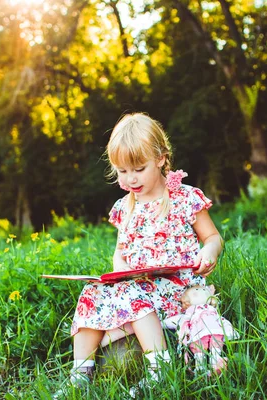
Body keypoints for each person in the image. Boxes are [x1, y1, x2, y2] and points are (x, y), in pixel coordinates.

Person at [69, 113, 224, 391]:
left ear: (161, 159)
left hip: (178, 293)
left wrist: (209, 252)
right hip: (139, 290)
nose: (130, 179)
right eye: (122, 171)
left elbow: (212, 237)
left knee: (131, 296)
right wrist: (119, 272)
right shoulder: (125, 207)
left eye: (138, 169)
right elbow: (120, 252)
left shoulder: (185, 198)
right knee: (91, 293)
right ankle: (80, 375)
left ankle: (158, 368)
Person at [174, 285, 237, 376]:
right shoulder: (195, 310)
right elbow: (182, 320)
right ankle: (203, 368)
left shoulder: (210, 309)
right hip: (204, 333)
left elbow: (180, 320)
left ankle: (213, 365)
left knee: (210, 347)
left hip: (208, 332)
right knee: (204, 348)